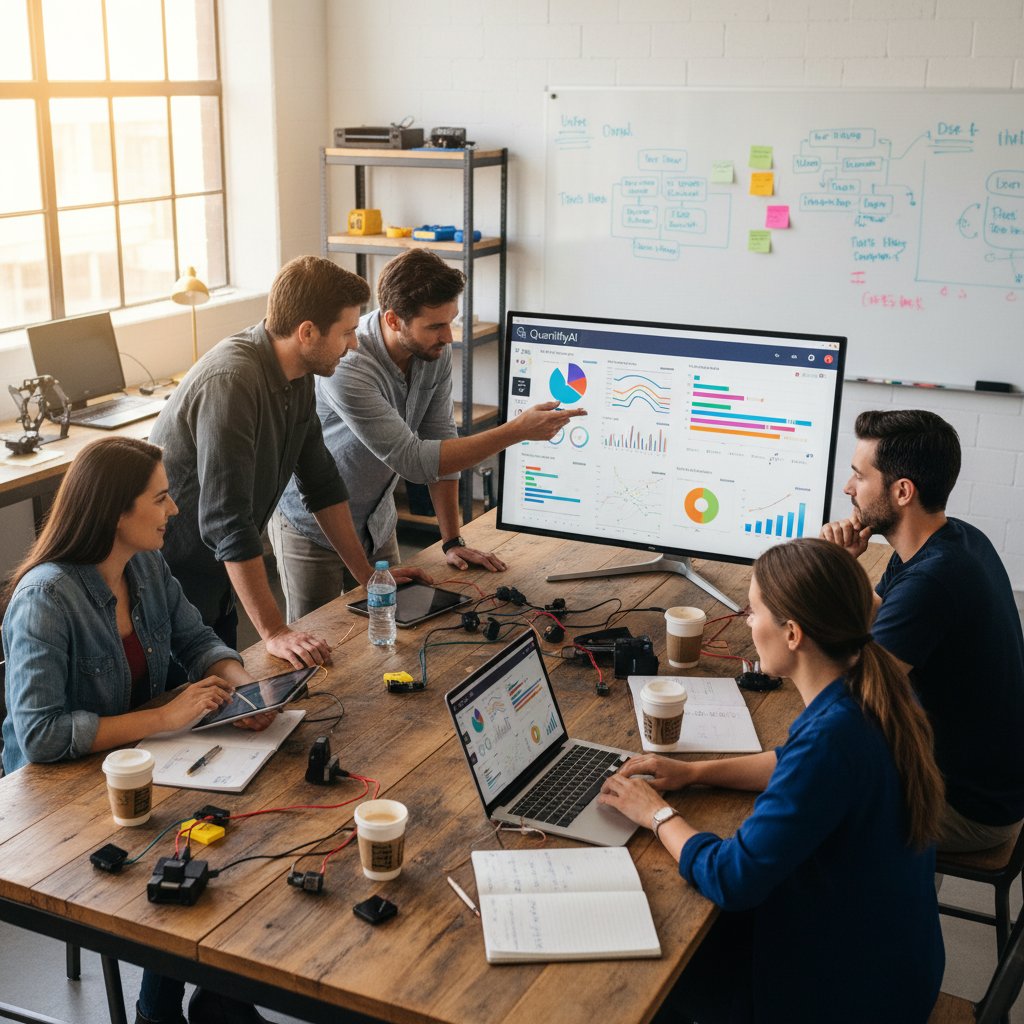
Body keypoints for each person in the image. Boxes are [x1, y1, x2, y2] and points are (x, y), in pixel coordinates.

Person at [599, 539, 945, 1024]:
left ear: (792, 634)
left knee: (645, 974)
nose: (747, 622)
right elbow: (792, 763)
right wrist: (693, 773)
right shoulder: (878, 686)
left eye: (754, 611)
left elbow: (731, 878)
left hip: (847, 996)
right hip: (893, 961)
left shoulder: (831, 741)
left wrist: (654, 813)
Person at [0, 437, 273, 1024]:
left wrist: (243, 683)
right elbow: (41, 734)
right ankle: (167, 1005)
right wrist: (164, 719)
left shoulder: (144, 565)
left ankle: (213, 994)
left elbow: (197, 640)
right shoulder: (44, 598)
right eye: (162, 498)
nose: (175, 510)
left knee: (231, 827)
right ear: (115, 514)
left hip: (135, 762)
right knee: (186, 841)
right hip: (53, 802)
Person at [271, 248, 585, 620]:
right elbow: (415, 461)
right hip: (313, 530)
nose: (447, 337)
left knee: (394, 630)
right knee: (318, 645)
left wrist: (451, 540)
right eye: (435, 326)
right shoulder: (348, 363)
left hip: (376, 520)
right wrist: (515, 432)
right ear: (393, 320)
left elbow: (440, 436)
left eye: (450, 321)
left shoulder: (431, 351)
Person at [149, 256, 429, 669]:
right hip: (172, 582)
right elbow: (227, 521)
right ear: (307, 332)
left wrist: (366, 576)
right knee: (185, 712)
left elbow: (321, 481)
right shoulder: (233, 382)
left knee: (224, 708)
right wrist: (274, 632)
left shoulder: (298, 375)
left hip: (220, 580)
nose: (354, 344)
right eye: (347, 333)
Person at [821, 409, 1024, 853]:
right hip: (985, 777)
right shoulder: (951, 539)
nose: (848, 488)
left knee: (809, 809)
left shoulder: (934, 580)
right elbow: (881, 615)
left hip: (971, 809)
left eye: (859, 476)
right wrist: (843, 566)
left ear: (902, 491)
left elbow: (849, 698)